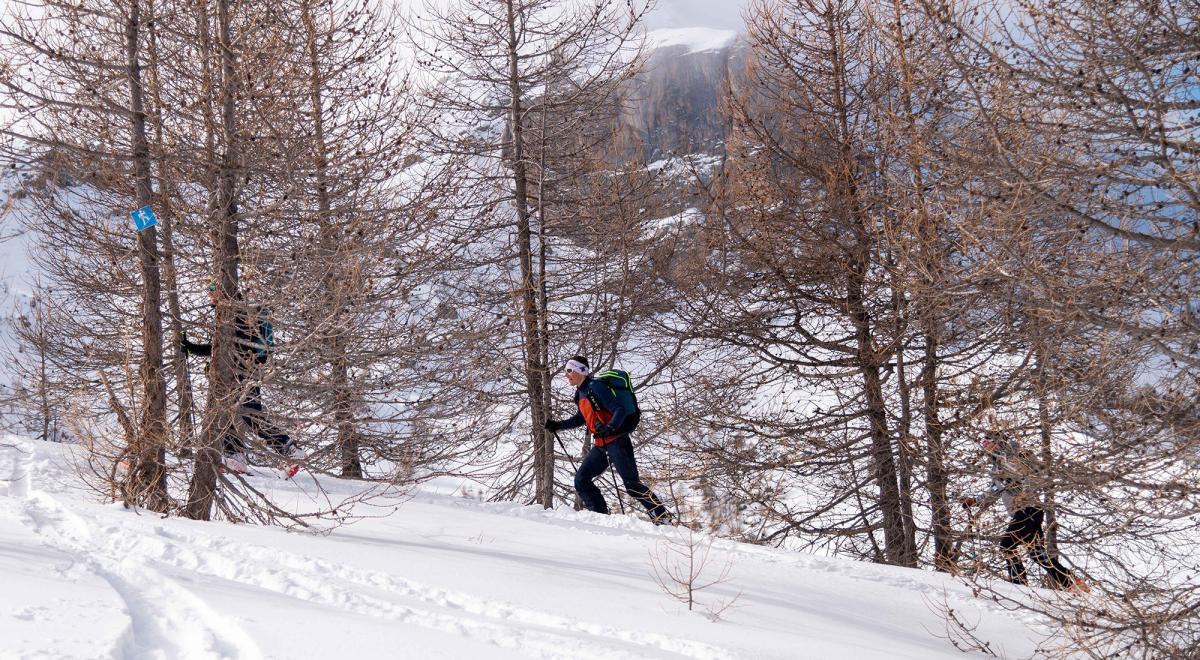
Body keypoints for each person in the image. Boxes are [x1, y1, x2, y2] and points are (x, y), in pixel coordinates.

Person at [181, 282, 297, 473]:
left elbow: (229, 345)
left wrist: (226, 362)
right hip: (245, 370)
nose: (210, 295)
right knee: (235, 412)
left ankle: (286, 449)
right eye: (209, 291)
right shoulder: (235, 312)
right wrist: (192, 347)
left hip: (241, 371)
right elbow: (220, 346)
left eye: (213, 290)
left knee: (242, 413)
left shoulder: (235, 313)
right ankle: (242, 455)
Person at [544, 355, 673, 524]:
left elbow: (618, 409)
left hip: (618, 443)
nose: (566, 375)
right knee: (581, 480)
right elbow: (581, 418)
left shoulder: (596, 387)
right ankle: (599, 517)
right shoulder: (580, 393)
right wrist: (558, 425)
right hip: (601, 446)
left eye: (569, 370)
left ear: (581, 371)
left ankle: (663, 517)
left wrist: (610, 427)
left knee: (632, 485)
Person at [961, 432, 1086, 591]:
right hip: (1024, 511)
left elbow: (1027, 477)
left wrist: (1025, 493)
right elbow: (994, 491)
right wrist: (975, 501)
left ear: (999, 442)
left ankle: (1019, 586)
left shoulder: (1011, 458)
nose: (984, 445)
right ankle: (1073, 583)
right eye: (982, 442)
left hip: (1028, 509)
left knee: (1007, 545)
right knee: (1038, 555)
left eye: (987, 441)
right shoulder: (997, 466)